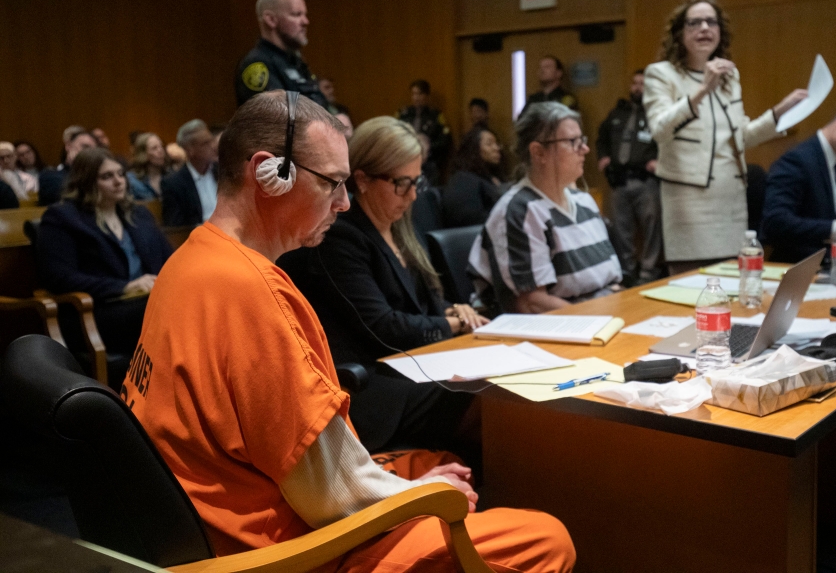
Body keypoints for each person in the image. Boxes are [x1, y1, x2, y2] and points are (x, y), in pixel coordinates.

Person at [119, 90, 574, 570]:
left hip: (225, 518)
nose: (342, 203)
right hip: (288, 550)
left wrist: (414, 482)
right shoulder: (251, 291)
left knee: (433, 461)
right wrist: (421, 494)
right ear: (267, 173)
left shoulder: (188, 260)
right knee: (546, 538)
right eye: (332, 183)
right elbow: (328, 495)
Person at [279, 116, 488, 455]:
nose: (413, 194)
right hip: (375, 386)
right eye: (402, 183)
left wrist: (451, 310)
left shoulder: (401, 225)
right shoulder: (340, 238)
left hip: (414, 364)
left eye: (417, 181)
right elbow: (382, 327)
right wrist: (452, 323)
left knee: (497, 390)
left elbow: (422, 301)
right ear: (362, 180)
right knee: (488, 404)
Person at [643, 0, 808, 275]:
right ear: (679, 33)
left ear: (721, 31)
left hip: (730, 198)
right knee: (692, 286)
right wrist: (702, 90)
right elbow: (660, 129)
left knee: (732, 281)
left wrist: (780, 112)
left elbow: (741, 137)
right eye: (694, 23)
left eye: (711, 22)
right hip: (689, 200)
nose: (704, 28)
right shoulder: (661, 74)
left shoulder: (730, 77)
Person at [37, 147, 173, 389]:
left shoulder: (139, 214)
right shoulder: (62, 218)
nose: (119, 181)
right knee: (162, 307)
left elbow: (171, 260)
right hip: (98, 311)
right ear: (86, 181)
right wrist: (124, 287)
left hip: (144, 301)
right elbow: (58, 277)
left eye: (120, 174)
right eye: (107, 176)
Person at [469, 101, 622, 313]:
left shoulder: (584, 201)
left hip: (601, 316)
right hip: (561, 329)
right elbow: (532, 303)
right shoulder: (519, 211)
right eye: (573, 141)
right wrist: (601, 322)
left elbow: (611, 280)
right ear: (539, 152)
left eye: (582, 140)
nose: (585, 149)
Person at [762, 102, 836, 263]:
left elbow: (823, 215)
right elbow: (775, 222)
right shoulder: (798, 160)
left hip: (828, 265)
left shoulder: (835, 162)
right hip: (797, 266)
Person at [597, 70, 662, 285]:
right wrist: (603, 156)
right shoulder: (617, 113)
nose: (637, 87)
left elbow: (668, 142)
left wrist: (658, 161)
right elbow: (602, 137)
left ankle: (648, 273)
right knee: (621, 231)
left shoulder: (656, 114)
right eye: (634, 83)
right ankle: (627, 273)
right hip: (619, 181)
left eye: (642, 84)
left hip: (646, 181)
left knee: (652, 228)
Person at [235, 0, 327, 108]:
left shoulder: (293, 60)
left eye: (305, 15)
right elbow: (278, 118)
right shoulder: (257, 64)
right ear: (271, 20)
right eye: (296, 14)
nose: (305, 21)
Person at [442, 125, 508, 228]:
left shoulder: (491, 177)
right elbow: (467, 220)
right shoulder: (463, 180)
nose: (497, 148)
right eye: (489, 144)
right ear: (473, 148)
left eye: (496, 143)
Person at [161, 119, 218, 226]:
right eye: (206, 143)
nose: (213, 146)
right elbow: (176, 228)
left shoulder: (223, 171)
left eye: (212, 140)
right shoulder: (174, 184)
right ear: (190, 150)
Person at [396, 79, 451, 185]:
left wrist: (427, 149)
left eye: (419, 94)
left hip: (429, 162)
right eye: (413, 94)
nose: (416, 98)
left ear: (426, 96)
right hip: (406, 160)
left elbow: (445, 141)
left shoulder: (435, 116)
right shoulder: (403, 114)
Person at [38, 128, 97, 206]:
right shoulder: (49, 175)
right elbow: (67, 197)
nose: (89, 153)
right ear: (68, 146)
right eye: (85, 147)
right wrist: (78, 166)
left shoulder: (96, 175)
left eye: (94, 150)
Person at [127, 133, 167, 200]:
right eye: (154, 148)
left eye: (161, 146)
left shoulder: (171, 175)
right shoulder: (132, 180)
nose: (160, 151)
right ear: (143, 153)